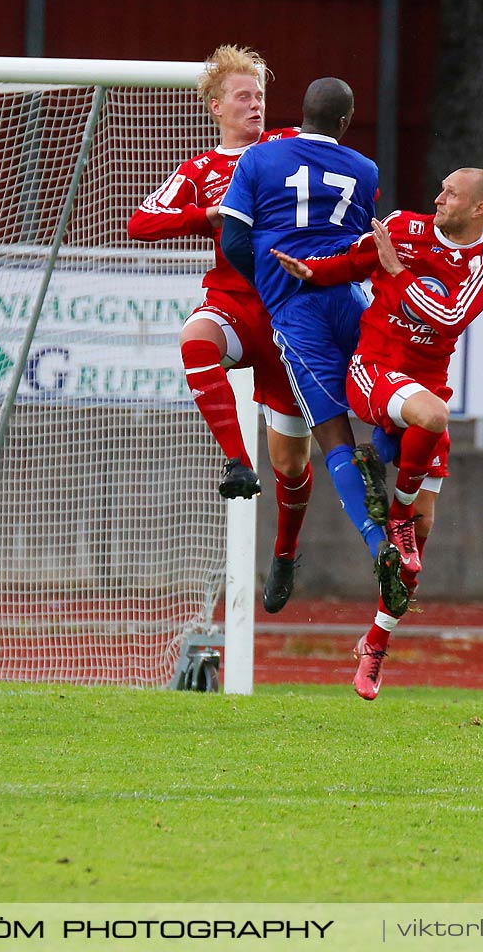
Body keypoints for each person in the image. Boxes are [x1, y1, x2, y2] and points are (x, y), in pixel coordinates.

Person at [274, 169, 483, 699]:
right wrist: (308, 272)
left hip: (426, 386)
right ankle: (394, 507)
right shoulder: (403, 227)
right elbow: (355, 261)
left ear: (478, 210)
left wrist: (397, 273)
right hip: (374, 369)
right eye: (440, 188)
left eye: (450, 193)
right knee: (431, 421)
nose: (437, 197)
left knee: (414, 552)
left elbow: (449, 318)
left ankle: (375, 645)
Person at [127, 46, 317, 575]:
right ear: (215, 106)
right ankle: (236, 460)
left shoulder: (287, 147)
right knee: (195, 338)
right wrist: (209, 214)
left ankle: (283, 554)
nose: (255, 105)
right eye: (243, 96)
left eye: (259, 95)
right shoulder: (202, 169)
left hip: (291, 317)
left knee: (292, 464)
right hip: (233, 305)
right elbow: (141, 223)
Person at [218, 77, 391, 615]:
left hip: (296, 311)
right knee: (392, 397)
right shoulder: (365, 170)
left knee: (330, 431)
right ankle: (385, 469)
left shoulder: (259, 159)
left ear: (300, 113)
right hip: (351, 300)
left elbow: (234, 240)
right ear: (346, 121)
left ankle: (377, 544)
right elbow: (363, 243)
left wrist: (271, 285)